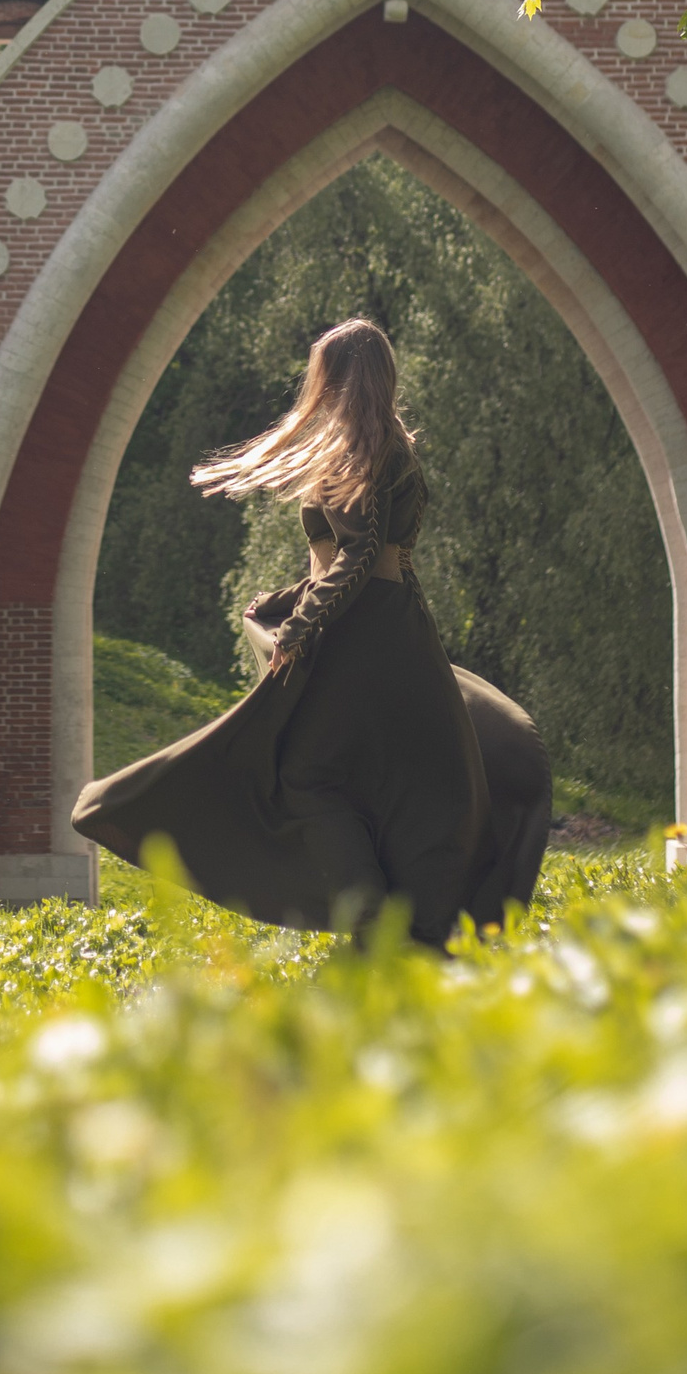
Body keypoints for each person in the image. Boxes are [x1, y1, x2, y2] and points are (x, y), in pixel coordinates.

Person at [73, 317, 553, 947]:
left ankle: (373, 914)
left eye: (322, 373)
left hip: (363, 633)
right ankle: (390, 916)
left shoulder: (364, 449)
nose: (313, 386)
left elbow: (359, 553)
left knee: (307, 773)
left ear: (341, 378)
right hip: (392, 623)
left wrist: (299, 628)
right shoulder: (386, 445)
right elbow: (355, 559)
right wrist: (285, 601)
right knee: (382, 777)